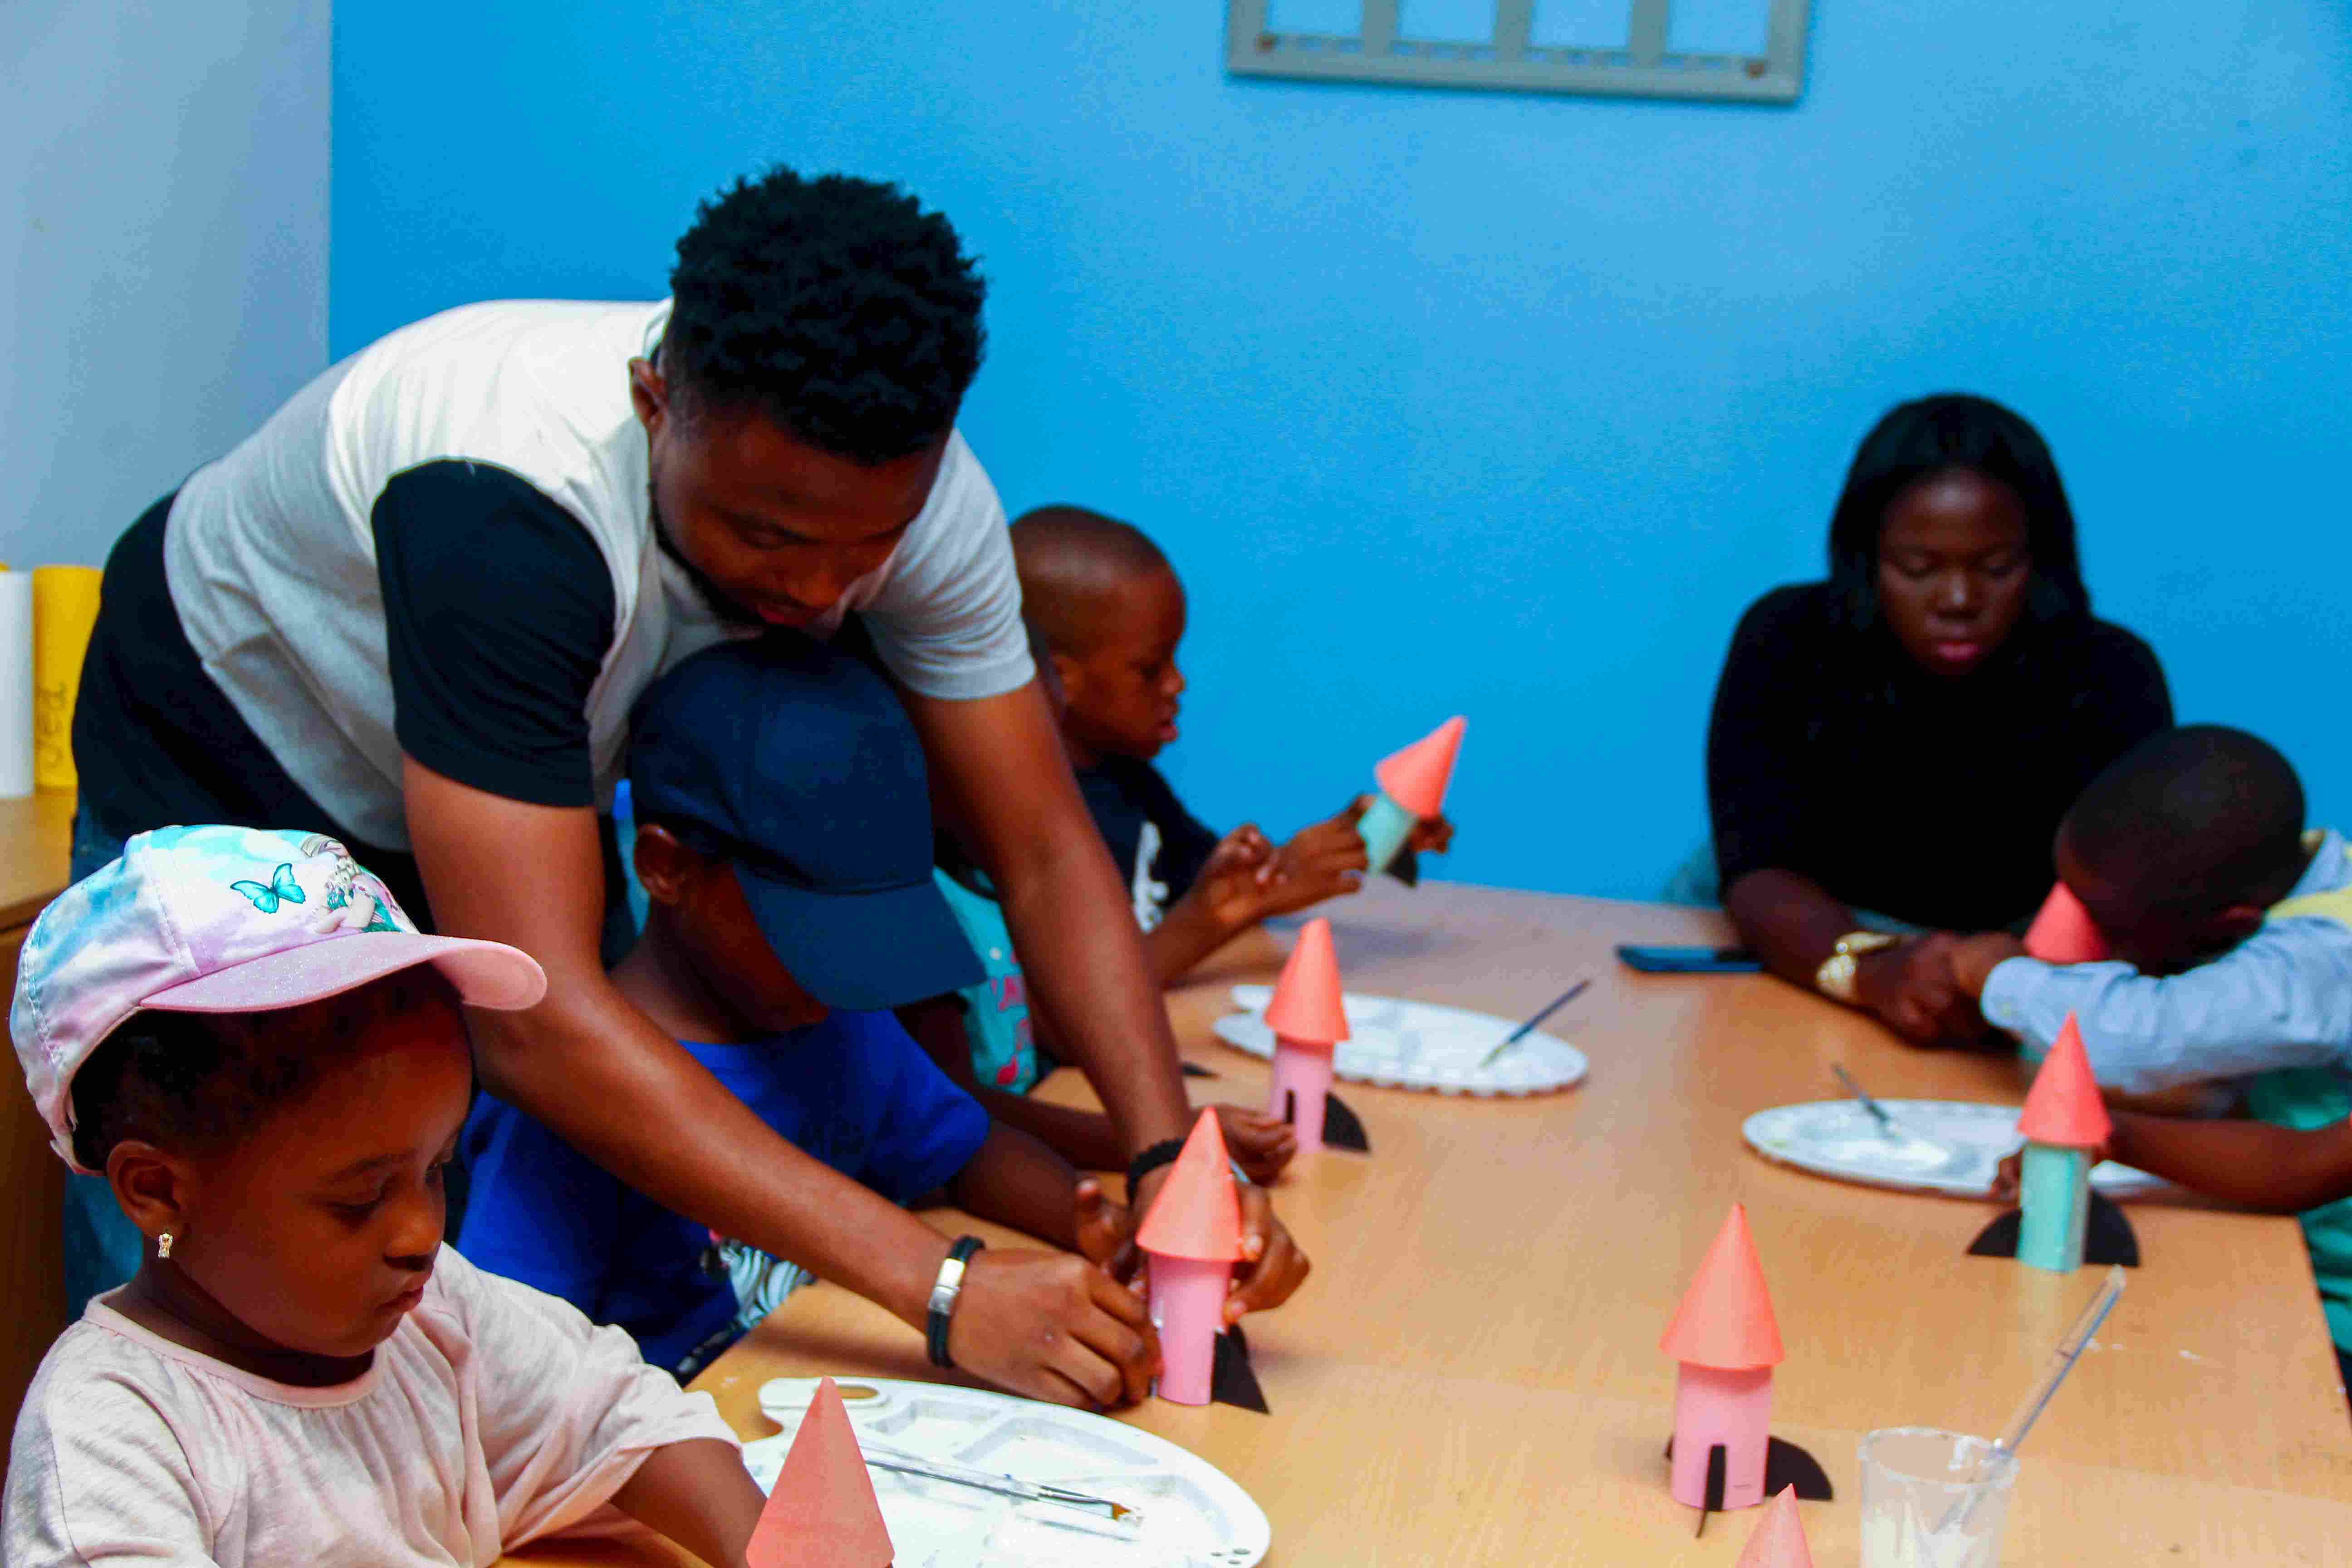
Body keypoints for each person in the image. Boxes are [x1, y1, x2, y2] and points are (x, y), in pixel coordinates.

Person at [64, 166, 1261, 1319]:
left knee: (542, 1196)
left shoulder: (921, 502)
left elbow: (1044, 846)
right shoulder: (509, 504)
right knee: (221, 1250)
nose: (820, 592)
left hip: (501, 768)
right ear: (654, 404)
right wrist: (940, 1289)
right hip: (230, 756)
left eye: (867, 551)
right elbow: (535, 1026)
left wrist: (1171, 1161)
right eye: (767, 536)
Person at [460, 637, 1304, 1401]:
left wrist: (1106, 1235)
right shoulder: (567, 1110)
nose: (847, 975)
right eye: (814, 934)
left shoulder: (837, 1029)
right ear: (667, 867)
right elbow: (514, 1379)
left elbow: (967, 1152)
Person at [5, 827, 765, 1566]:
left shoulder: (434, 1316)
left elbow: (613, 1411)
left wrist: (770, 1550)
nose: (421, 1234)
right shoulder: (111, 1438)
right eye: (360, 1199)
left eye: (437, 1169)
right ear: (158, 1190)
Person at [1705, 393, 2171, 1046]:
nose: (1958, 599)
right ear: (1866, 557)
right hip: (1810, 931)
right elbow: (1757, 865)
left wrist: (2017, 984)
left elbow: (2132, 900)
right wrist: (1872, 971)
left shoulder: (2115, 672)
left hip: (2021, 959)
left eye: (1997, 567)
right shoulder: (1783, 638)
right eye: (1917, 567)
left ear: (2041, 558)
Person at [1949, 726, 2352, 1366]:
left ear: (2231, 923)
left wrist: (1996, 976)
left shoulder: (2324, 958)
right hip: (2286, 1250)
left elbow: (2301, 1164)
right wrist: (2112, 1134)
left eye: (2110, 927)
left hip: (2330, 1309)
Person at [903, 621, 1300, 1181]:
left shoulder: (996, 882)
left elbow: (1065, 1032)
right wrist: (1164, 1141)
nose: (1037, 781)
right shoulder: (914, 907)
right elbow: (948, 1111)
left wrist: (1167, 1132)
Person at [1009, 505, 1453, 981]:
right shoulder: (1019, 818)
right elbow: (1059, 1006)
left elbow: (1223, 889)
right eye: (1151, 669)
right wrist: (1209, 921)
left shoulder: (1131, 785)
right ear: (1058, 678)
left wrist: (1358, 840)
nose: (1177, 683)